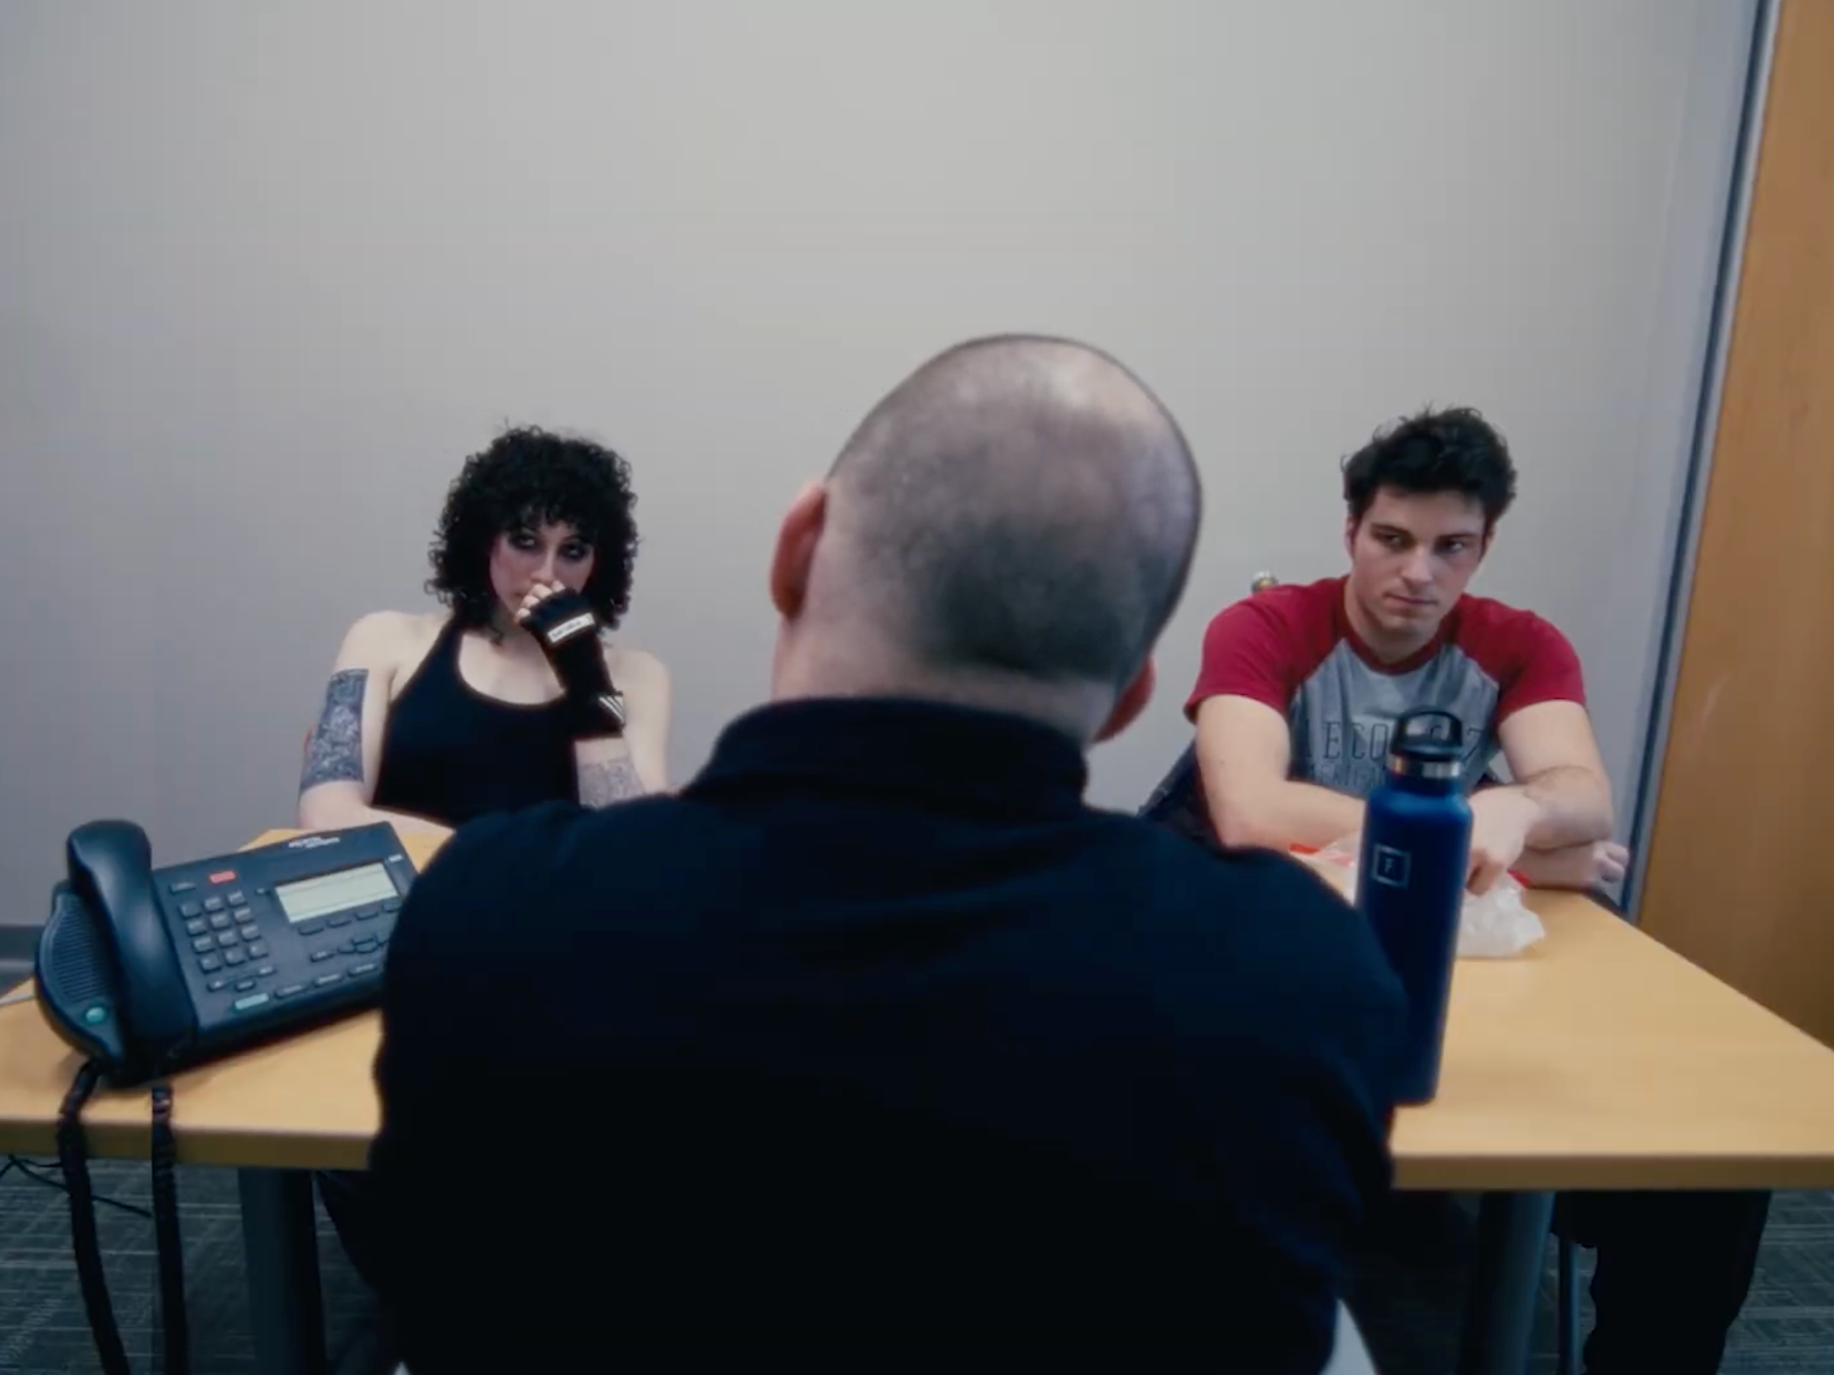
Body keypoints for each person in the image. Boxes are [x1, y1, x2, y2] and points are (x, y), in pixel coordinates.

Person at [368, 336, 1407, 1371]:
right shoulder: (1297, 982)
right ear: (1134, 692)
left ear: (796, 550)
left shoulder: (487, 918)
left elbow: (427, 1296)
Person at [1146, 406, 1766, 1375]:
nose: (1418, 572)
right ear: (1350, 530)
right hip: (1290, 965)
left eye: (1451, 547)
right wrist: (1476, 828)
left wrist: (1512, 816)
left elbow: (1582, 800)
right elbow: (1250, 815)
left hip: (1474, 978)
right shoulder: (1266, 627)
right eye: (1392, 539)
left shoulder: (1518, 644)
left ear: (1484, 549)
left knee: (1710, 1160)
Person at [297, 424, 671, 839]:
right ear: (485, 541)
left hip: (547, 906)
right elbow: (325, 813)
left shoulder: (636, 676)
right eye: (525, 541)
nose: (546, 573)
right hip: (408, 900)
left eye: (573, 551)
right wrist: (489, 863)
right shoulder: (385, 640)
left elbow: (634, 848)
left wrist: (587, 684)